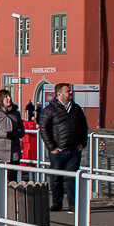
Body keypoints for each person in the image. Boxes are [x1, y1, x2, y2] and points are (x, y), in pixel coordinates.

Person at [37, 83, 90, 212]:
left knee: (72, 179)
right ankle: (57, 203)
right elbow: (43, 129)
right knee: (56, 179)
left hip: (73, 150)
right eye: (67, 91)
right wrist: (52, 147)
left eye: (70, 91)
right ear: (59, 94)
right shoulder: (50, 109)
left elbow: (84, 127)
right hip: (58, 151)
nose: (70, 93)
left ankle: (73, 205)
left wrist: (82, 142)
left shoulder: (76, 109)